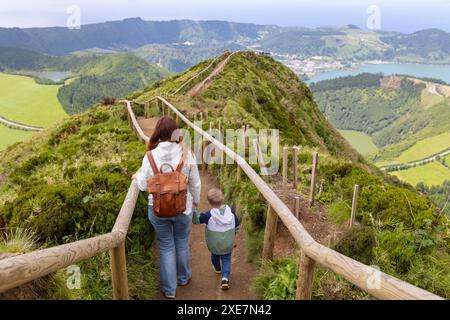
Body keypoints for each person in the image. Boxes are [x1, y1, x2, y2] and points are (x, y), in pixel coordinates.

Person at [133, 116, 201, 299]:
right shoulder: (186, 154)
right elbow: (195, 183)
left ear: (157, 133)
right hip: (183, 208)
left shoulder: (150, 156)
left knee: (166, 246)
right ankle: (184, 278)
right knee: (181, 242)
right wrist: (195, 203)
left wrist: (136, 176)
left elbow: (142, 185)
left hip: (158, 209)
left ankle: (170, 290)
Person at [192, 188, 240, 290]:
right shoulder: (231, 212)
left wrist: (194, 211)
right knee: (226, 259)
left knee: (215, 255)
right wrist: (234, 233)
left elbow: (197, 220)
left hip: (214, 244)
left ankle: (217, 268)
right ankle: (225, 278)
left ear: (209, 202)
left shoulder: (209, 215)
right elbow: (237, 225)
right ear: (222, 198)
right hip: (228, 243)